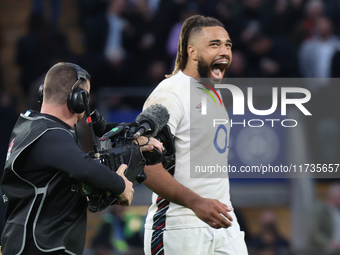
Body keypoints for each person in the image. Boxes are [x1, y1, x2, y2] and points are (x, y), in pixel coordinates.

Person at [0, 62, 162, 255]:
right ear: (77, 99)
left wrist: (134, 142)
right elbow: (86, 168)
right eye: (86, 96)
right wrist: (120, 185)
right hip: (39, 249)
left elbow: (78, 168)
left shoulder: (31, 127)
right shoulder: (50, 134)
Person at [142, 15, 248, 255]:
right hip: (180, 227)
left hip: (224, 224)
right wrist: (196, 202)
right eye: (214, 44)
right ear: (192, 52)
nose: (224, 51)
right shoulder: (170, 93)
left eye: (228, 45)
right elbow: (145, 166)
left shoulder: (214, 93)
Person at [308, 182, 340, 255]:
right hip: (326, 250)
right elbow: (313, 233)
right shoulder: (320, 210)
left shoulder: (338, 211)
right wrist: (329, 243)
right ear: (333, 196)